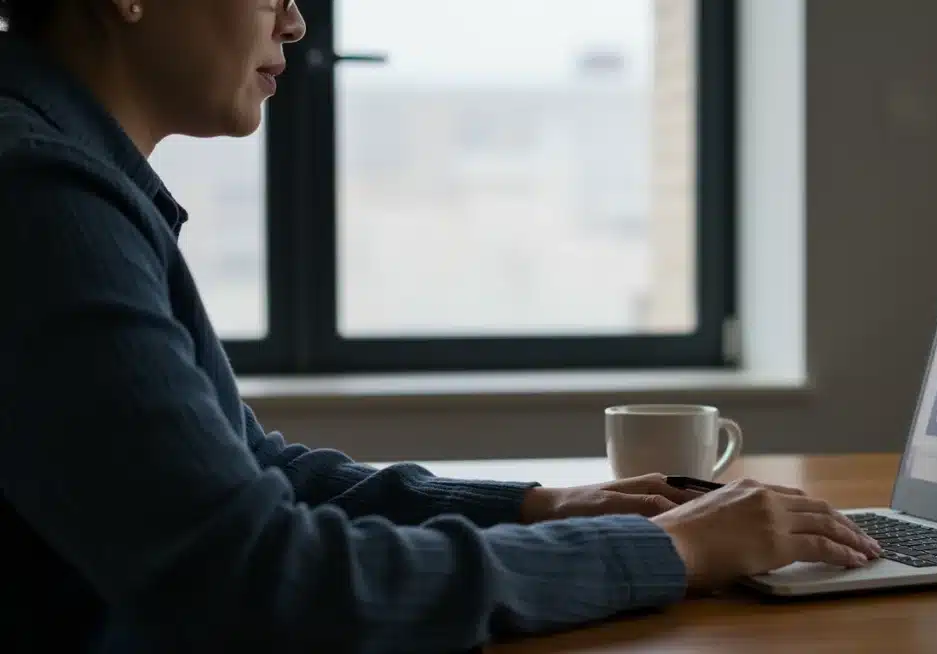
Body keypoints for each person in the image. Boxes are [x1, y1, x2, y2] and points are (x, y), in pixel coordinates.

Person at [0, 1, 881, 652]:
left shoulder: (69, 181)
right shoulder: (41, 201)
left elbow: (250, 469)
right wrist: (662, 551)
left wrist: (537, 507)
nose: (297, 23)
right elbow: (263, 577)